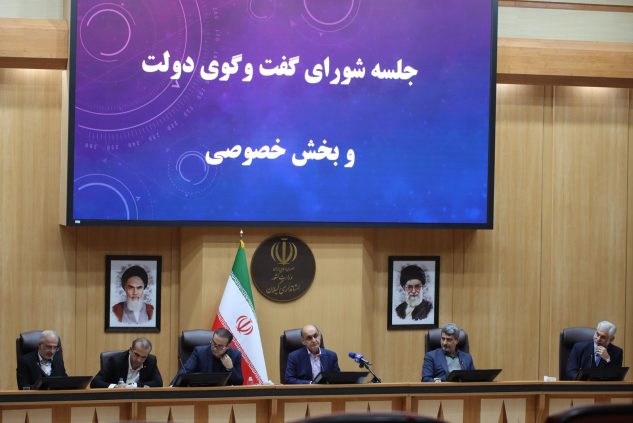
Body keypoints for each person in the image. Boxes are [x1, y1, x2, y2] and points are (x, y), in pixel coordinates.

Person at [170, 328, 243, 386]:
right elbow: (185, 371)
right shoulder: (200, 352)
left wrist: (230, 368)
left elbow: (239, 383)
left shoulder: (235, 355)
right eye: (214, 343)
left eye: (220, 346)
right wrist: (173, 386)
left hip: (223, 396)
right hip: (201, 393)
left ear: (228, 346)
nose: (215, 348)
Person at [90, 337, 163, 388]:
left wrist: (134, 386)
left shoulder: (150, 361)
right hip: (117, 399)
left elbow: (158, 383)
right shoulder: (115, 361)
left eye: (143, 357)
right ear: (130, 350)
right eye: (136, 355)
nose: (139, 360)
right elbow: (95, 382)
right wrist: (116, 387)